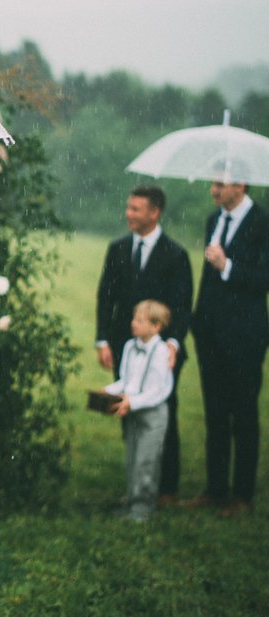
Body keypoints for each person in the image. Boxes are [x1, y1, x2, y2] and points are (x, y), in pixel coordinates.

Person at [95, 185, 192, 505]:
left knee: (163, 412)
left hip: (161, 351)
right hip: (125, 347)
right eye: (128, 207)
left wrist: (173, 344)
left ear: (155, 212)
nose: (128, 214)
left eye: (136, 209)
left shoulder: (176, 255)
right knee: (128, 409)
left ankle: (166, 487)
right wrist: (103, 340)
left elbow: (182, 305)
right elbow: (105, 296)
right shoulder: (118, 248)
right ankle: (137, 483)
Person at [188, 174, 269, 517]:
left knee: (244, 415)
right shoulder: (213, 220)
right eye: (212, 183)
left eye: (220, 183)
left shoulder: (263, 222)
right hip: (211, 334)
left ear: (242, 185)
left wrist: (228, 265)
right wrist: (199, 321)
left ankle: (242, 495)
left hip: (246, 336)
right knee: (216, 414)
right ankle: (216, 489)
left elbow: (264, 278)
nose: (213, 190)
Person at [101, 299, 174, 522]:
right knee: (133, 457)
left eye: (139, 320)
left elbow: (156, 391)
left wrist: (131, 402)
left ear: (156, 327)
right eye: (134, 318)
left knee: (146, 460)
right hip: (133, 411)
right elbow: (126, 381)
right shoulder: (129, 346)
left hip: (153, 415)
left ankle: (143, 509)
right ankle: (133, 501)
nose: (133, 323)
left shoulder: (161, 352)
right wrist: (106, 392)